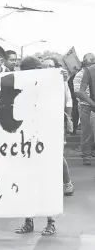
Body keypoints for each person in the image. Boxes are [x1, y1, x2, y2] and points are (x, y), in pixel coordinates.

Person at [15, 56, 72, 236]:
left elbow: (63, 97)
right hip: (27, 138)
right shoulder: (21, 85)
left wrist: (61, 77)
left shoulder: (50, 83)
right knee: (28, 182)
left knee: (46, 181)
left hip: (46, 137)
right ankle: (28, 221)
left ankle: (50, 222)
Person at [41, 57, 74, 196]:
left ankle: (67, 182)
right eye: (45, 66)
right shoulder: (37, 81)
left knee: (57, 155)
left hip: (55, 121)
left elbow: (68, 101)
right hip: (39, 122)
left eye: (51, 66)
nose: (48, 68)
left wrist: (68, 119)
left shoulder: (62, 82)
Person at [74, 53, 95, 166]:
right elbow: (78, 92)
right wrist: (91, 102)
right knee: (87, 132)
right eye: (91, 62)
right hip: (86, 106)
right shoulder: (80, 75)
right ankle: (86, 155)